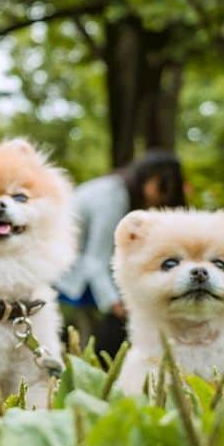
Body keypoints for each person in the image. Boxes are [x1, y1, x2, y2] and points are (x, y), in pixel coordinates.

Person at [57, 150, 186, 359]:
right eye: (164, 189)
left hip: (80, 269)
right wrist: (114, 303)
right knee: (118, 318)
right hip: (66, 270)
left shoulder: (119, 191)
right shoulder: (111, 199)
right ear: (152, 179)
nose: (162, 198)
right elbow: (94, 261)